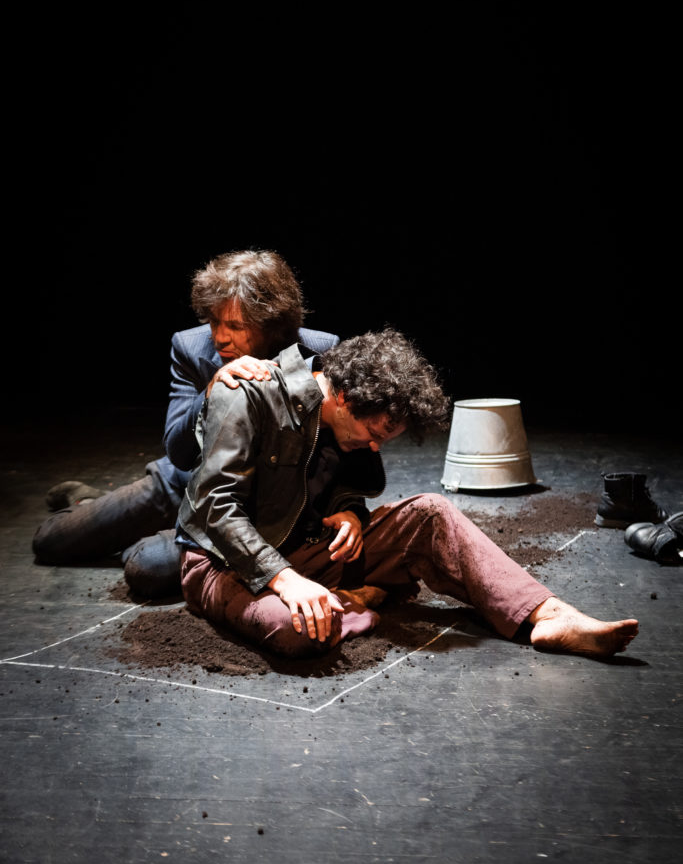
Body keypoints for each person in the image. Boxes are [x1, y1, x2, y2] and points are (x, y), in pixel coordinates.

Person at [177, 328, 640, 660]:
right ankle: (351, 600)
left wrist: (348, 513)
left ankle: (549, 614)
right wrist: (285, 579)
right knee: (297, 629)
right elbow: (215, 505)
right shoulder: (249, 393)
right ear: (345, 398)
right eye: (375, 433)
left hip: (305, 549)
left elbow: (333, 484)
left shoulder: (345, 426)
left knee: (430, 513)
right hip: (224, 566)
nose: (375, 446)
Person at [32, 249, 339, 597]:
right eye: (214, 322)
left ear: (270, 324)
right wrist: (211, 389)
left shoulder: (317, 352)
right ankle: (90, 501)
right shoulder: (191, 347)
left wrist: (346, 510)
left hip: (245, 505)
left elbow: (334, 452)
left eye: (235, 326)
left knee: (148, 567)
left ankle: (156, 536)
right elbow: (178, 452)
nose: (220, 337)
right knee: (50, 542)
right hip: (182, 481)